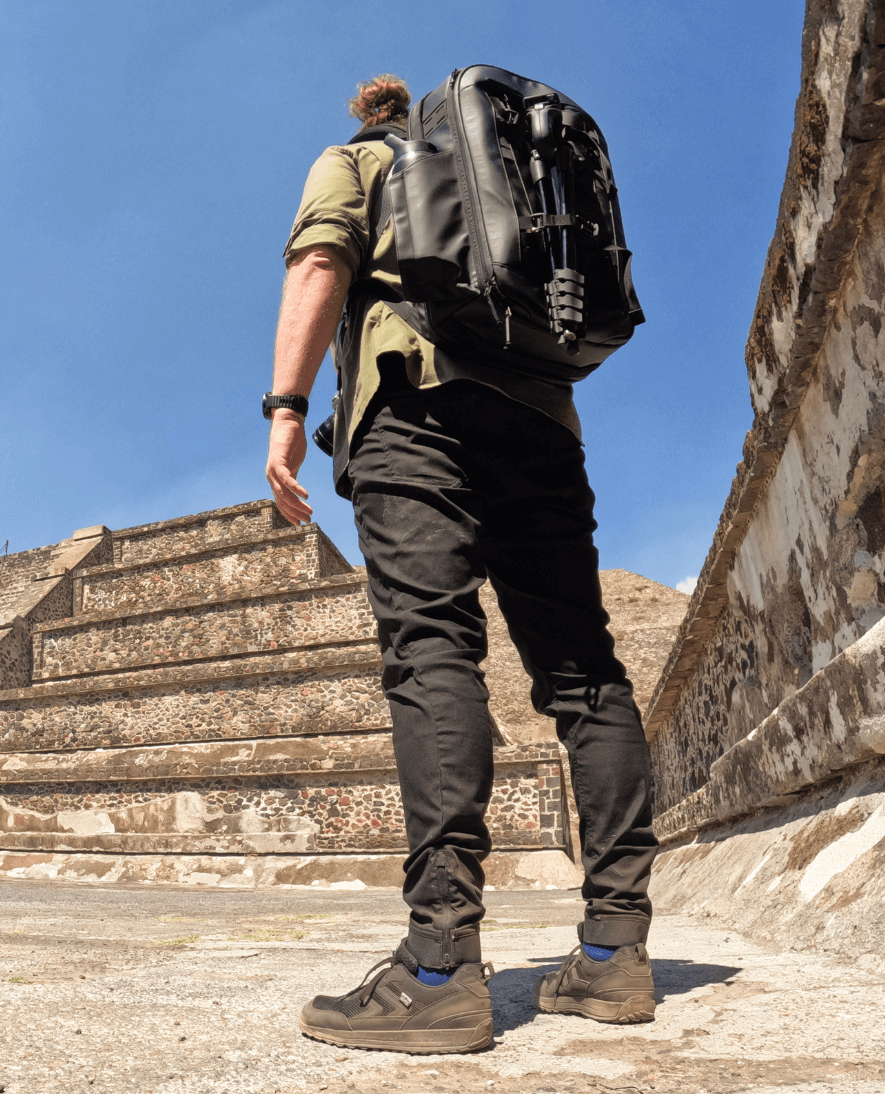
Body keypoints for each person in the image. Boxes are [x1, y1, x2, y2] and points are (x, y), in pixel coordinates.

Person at [268, 75, 658, 1054]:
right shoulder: (521, 183)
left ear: (371, 115)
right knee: (583, 673)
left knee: (432, 652)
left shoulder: (359, 159)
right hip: (540, 421)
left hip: (413, 404)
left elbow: (321, 259)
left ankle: (439, 965)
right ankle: (615, 954)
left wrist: (284, 406)